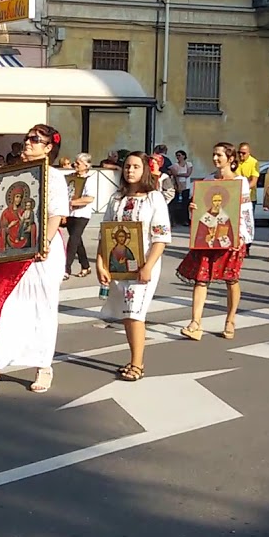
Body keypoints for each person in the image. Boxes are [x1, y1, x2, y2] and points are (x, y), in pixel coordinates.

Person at [0, 124, 70, 393]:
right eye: (27, 138)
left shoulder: (54, 177)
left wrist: (44, 243)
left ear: (48, 148)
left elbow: (56, 214)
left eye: (35, 139)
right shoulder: (13, 173)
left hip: (40, 252)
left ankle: (43, 366)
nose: (28, 142)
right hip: (13, 250)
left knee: (41, 308)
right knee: (3, 307)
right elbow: (4, 214)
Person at [98, 152, 170, 381]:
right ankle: (133, 359)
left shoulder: (154, 199)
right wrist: (101, 263)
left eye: (136, 167)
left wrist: (148, 266)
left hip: (143, 264)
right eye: (127, 166)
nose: (130, 171)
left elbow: (160, 237)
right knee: (127, 314)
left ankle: (138, 364)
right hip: (119, 264)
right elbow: (105, 233)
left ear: (145, 170)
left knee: (136, 312)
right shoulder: (116, 199)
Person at [178, 142, 254, 341]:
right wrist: (193, 208)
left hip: (232, 236)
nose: (215, 158)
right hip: (208, 237)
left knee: (231, 279)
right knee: (201, 278)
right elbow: (202, 209)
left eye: (219, 155)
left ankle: (230, 320)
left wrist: (242, 236)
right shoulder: (208, 180)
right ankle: (195, 323)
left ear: (231, 158)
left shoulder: (240, 182)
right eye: (213, 154)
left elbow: (245, 212)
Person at [64, 153, 95, 278]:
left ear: (86, 165)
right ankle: (86, 266)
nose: (75, 165)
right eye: (75, 162)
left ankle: (66, 269)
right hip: (70, 213)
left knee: (73, 240)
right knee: (77, 242)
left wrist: (73, 202)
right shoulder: (71, 177)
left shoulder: (89, 179)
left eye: (78, 163)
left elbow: (89, 198)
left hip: (82, 214)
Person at [170, 150, 193, 225]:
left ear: (184, 156)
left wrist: (178, 174)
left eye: (179, 155)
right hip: (178, 184)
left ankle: (185, 220)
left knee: (185, 203)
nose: (178, 157)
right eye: (177, 156)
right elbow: (174, 175)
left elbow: (188, 174)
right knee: (175, 202)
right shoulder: (175, 165)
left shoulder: (188, 164)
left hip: (186, 186)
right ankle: (174, 220)